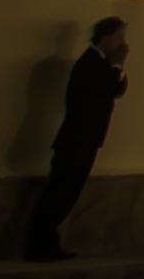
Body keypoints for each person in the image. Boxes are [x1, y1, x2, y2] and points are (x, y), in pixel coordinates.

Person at [22, 15, 131, 260]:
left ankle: (47, 243)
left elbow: (119, 89)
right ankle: (38, 245)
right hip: (76, 139)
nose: (122, 44)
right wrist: (116, 66)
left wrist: (117, 67)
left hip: (88, 139)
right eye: (118, 38)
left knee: (67, 193)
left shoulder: (103, 64)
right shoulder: (89, 63)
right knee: (59, 193)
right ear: (105, 37)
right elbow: (107, 88)